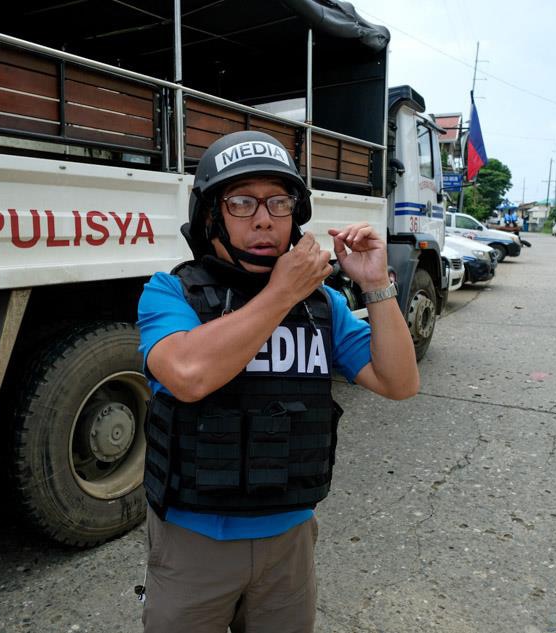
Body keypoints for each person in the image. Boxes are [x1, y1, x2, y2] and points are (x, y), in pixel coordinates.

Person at [137, 130, 418, 633]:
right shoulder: (170, 292)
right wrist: (282, 291)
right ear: (211, 217)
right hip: (194, 543)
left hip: (289, 542)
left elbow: (399, 382)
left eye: (279, 201)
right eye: (242, 202)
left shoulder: (321, 305)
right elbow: (188, 376)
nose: (264, 218)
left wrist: (376, 285)